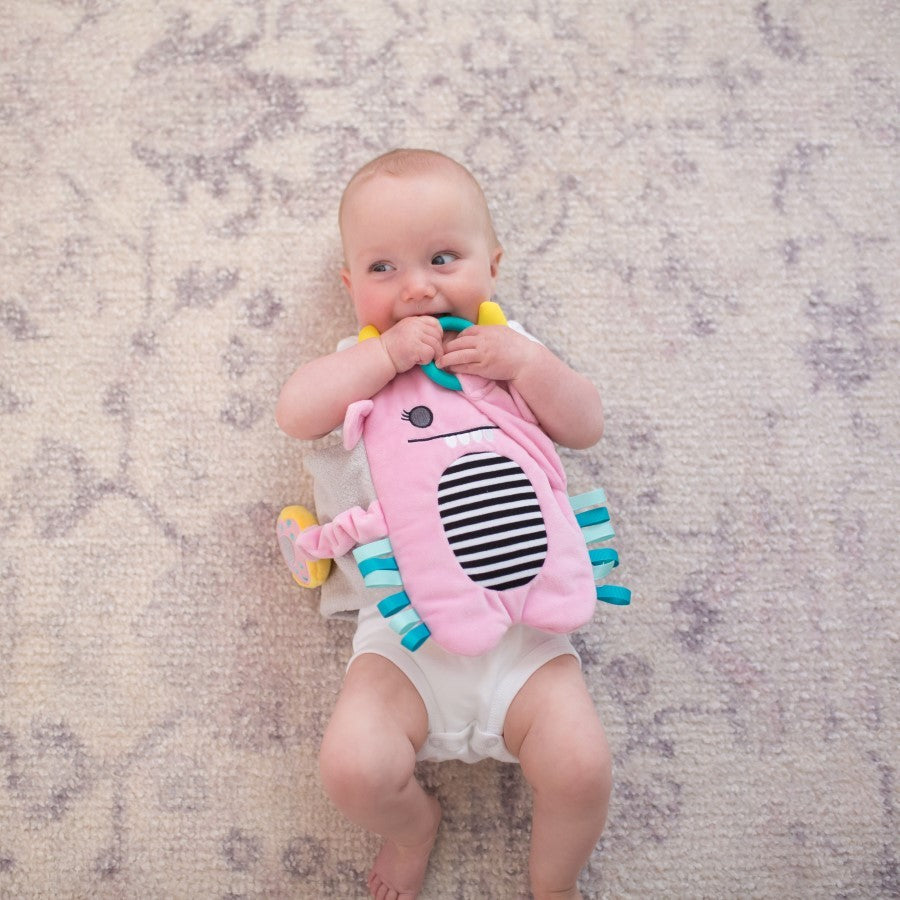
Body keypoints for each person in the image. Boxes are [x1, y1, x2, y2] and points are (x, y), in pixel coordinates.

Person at [276, 149, 611, 900]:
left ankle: (552, 882)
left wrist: (525, 364)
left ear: (491, 267)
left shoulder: (507, 352)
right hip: (404, 642)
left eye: (442, 258)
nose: (417, 288)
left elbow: (585, 424)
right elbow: (295, 413)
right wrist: (383, 357)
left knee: (583, 769)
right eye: (383, 270)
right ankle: (412, 825)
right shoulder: (360, 362)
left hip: (527, 630)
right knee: (352, 768)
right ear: (350, 287)